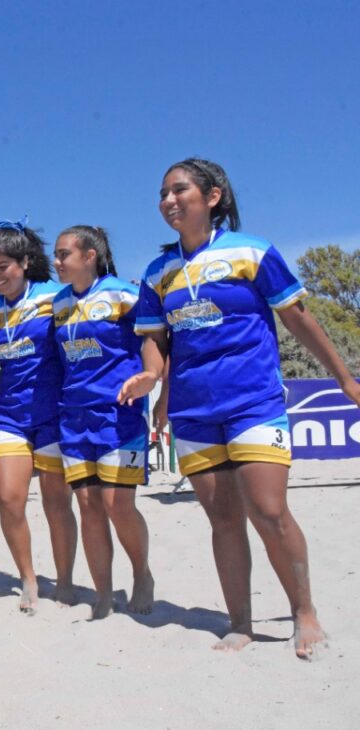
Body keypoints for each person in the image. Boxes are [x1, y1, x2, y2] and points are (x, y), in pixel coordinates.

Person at [119, 158, 360, 658]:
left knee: (268, 512)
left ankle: (304, 613)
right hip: (192, 412)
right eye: (162, 193)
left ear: (212, 196)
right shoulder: (156, 272)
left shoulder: (252, 252)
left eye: (179, 190)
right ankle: (241, 622)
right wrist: (152, 376)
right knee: (223, 520)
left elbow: (297, 318)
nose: (168, 201)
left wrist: (343, 377)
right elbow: (156, 341)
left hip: (254, 402)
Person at [0, 220, 77, 612]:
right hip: (10, 417)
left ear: (25, 263)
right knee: (9, 500)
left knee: (56, 503)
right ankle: (29, 580)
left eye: (3, 266)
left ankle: (65, 580)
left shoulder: (55, 297)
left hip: (54, 415)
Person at [52, 225, 154, 619]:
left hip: (118, 414)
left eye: (64, 254)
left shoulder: (122, 294)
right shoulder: (58, 304)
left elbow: (154, 337)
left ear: (90, 255)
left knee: (117, 504)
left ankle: (142, 574)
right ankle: (103, 592)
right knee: (88, 505)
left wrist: (151, 378)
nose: (57, 262)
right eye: (57, 255)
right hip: (73, 417)